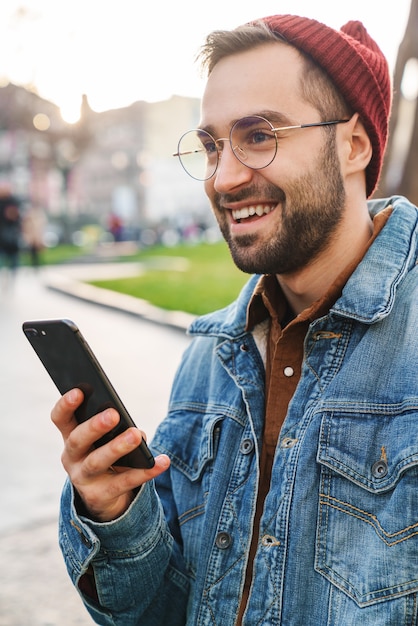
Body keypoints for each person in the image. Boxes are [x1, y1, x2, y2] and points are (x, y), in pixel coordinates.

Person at [50, 14, 418, 625]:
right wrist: (113, 514)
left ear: (354, 145)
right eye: (212, 145)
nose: (223, 177)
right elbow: (156, 613)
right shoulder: (212, 349)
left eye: (258, 135)